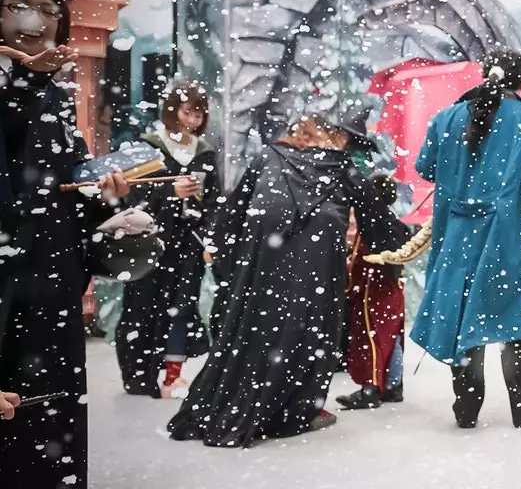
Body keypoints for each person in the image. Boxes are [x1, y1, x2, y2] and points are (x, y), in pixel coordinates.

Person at [167, 111, 405, 447]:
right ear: (335, 137)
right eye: (348, 141)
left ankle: (238, 404)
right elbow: (381, 225)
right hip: (315, 273)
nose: (348, 148)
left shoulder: (268, 157)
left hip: (262, 274)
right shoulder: (341, 168)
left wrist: (225, 260)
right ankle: (294, 409)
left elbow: (230, 218)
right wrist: (411, 240)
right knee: (309, 336)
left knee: (255, 334)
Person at [0, 0, 132, 487]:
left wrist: (106, 201)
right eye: (18, 7)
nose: (33, 21)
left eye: (47, 10)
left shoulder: (54, 97)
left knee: (50, 429)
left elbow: (65, 187)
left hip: (48, 295)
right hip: (8, 293)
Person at [410, 49, 521, 429]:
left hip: (456, 241)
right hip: (510, 240)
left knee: (463, 324)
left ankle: (466, 410)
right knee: (514, 323)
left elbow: (424, 167)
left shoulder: (445, 118)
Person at [115, 82, 220, 400]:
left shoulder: (204, 152)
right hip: (148, 241)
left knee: (182, 307)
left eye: (199, 112)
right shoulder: (148, 147)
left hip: (188, 242)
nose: (193, 118)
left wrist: (209, 242)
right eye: (188, 111)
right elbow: (131, 195)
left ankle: (173, 376)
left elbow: (214, 202)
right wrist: (169, 194)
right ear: (173, 110)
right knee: (140, 307)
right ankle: (138, 376)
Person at [337, 173, 412, 410]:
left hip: (373, 293)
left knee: (371, 340)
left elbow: (361, 264)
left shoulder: (370, 228)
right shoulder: (396, 225)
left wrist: (346, 282)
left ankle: (370, 389)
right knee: (392, 340)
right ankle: (393, 385)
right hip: (393, 291)